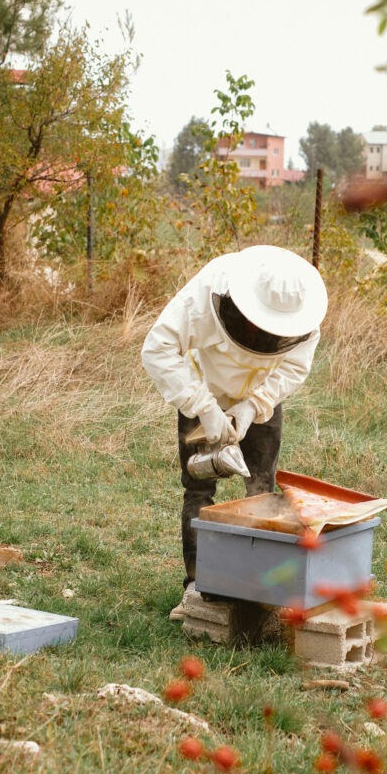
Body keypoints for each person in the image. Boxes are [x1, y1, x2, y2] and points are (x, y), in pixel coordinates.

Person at [141, 244, 328, 589]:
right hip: (203, 389)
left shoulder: (305, 318)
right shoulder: (207, 291)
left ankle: (256, 586)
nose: (262, 336)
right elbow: (157, 348)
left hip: (259, 398)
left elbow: (294, 367)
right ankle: (198, 587)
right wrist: (205, 407)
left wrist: (254, 405)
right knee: (198, 491)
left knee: (260, 490)